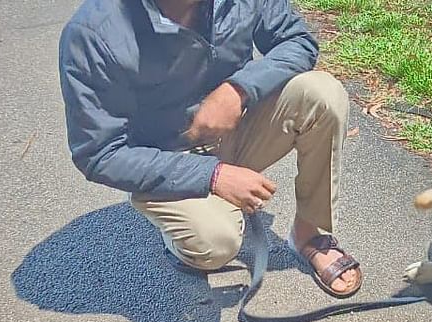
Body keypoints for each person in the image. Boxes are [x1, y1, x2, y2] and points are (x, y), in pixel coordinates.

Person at [58, 0, 362, 298]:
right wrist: (213, 176)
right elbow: (99, 154)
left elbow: (297, 41)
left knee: (323, 95)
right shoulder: (93, 32)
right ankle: (182, 236)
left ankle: (309, 233)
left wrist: (239, 89)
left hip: (237, 126)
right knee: (215, 244)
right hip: (165, 157)